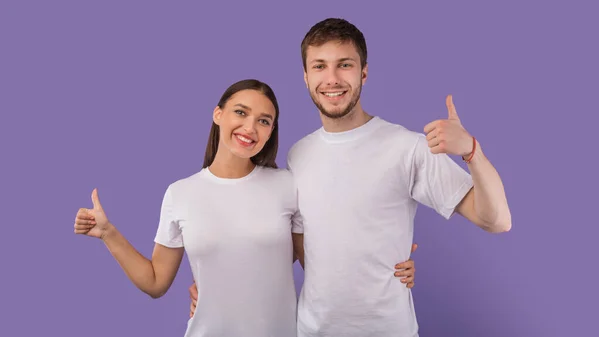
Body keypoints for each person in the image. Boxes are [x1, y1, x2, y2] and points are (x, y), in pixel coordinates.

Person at [187, 18, 512, 337]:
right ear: (305, 76)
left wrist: (471, 151)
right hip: (313, 331)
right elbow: (296, 249)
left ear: (364, 73)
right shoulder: (298, 155)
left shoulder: (407, 147)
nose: (331, 78)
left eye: (344, 65)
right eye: (319, 66)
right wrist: (218, 289)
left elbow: (496, 220)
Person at [73, 79, 414, 337]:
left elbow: (321, 262)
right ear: (218, 114)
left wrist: (386, 259)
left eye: (265, 121)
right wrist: (108, 234)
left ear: (270, 132)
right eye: (241, 112)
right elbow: (155, 282)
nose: (250, 127)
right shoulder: (180, 194)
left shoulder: (286, 185)